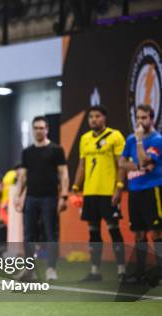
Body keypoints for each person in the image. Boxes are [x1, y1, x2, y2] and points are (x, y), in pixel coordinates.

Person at [72, 105, 126, 281]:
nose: (93, 119)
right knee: (93, 232)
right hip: (90, 193)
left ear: (104, 118)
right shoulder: (85, 138)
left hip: (108, 192)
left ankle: (121, 271)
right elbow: (82, 164)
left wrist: (119, 187)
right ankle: (95, 271)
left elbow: (122, 164)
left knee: (113, 230)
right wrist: (76, 187)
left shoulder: (115, 136)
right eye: (91, 117)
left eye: (97, 116)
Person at [15, 116, 69, 282]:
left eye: (41, 128)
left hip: (50, 198)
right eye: (36, 128)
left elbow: (64, 174)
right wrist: (18, 196)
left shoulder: (56, 150)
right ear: (33, 130)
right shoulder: (27, 152)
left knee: (51, 234)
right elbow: (22, 177)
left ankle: (51, 269)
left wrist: (64, 196)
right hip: (31, 198)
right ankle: (28, 270)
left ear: (47, 130)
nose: (38, 131)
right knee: (28, 235)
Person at [119, 104, 162, 287]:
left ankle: (160, 274)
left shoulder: (157, 139)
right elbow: (122, 162)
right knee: (138, 233)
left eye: (144, 117)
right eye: (138, 117)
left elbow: (145, 160)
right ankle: (139, 274)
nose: (140, 121)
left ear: (152, 118)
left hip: (152, 189)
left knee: (157, 232)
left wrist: (138, 143)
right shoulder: (130, 139)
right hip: (134, 190)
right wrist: (138, 167)